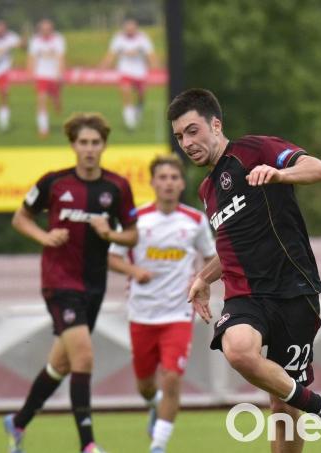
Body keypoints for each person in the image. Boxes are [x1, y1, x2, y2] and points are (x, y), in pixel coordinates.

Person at [168, 88, 321, 453]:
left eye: (192, 131)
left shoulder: (255, 150)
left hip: (293, 291)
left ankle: (313, 406)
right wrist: (202, 278)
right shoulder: (207, 189)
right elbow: (231, 249)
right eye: (179, 137)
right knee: (238, 349)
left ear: (215, 124)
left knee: (284, 405)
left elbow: (320, 170)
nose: (187, 142)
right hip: (247, 296)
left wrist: (278, 175)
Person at [4, 113, 138, 453]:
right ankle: (88, 445)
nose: (89, 149)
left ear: (103, 145)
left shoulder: (117, 187)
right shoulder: (54, 182)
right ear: (73, 145)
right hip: (59, 283)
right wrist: (45, 236)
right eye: (83, 142)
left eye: (95, 143)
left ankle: (18, 422)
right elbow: (20, 218)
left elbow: (133, 235)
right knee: (84, 358)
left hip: (94, 285)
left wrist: (112, 234)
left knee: (62, 364)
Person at [108, 155, 216, 453]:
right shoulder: (136, 220)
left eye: (174, 178)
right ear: (153, 182)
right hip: (141, 313)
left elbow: (211, 258)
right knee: (145, 385)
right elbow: (112, 257)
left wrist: (202, 280)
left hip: (178, 313)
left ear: (182, 184)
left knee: (171, 378)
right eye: (162, 177)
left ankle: (158, 445)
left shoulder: (194, 221)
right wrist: (134, 272)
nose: (168, 183)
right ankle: (154, 405)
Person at [100, 19, 157, 131]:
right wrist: (104, 65)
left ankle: (138, 111)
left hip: (140, 72)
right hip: (125, 71)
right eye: (127, 28)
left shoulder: (143, 38)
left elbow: (151, 54)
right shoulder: (118, 38)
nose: (129, 30)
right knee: (126, 92)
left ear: (136, 28)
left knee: (141, 96)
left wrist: (155, 67)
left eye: (132, 28)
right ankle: (129, 121)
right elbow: (111, 54)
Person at [27, 19, 65, 137]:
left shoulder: (58, 39)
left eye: (48, 29)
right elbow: (31, 58)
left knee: (55, 101)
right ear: (39, 30)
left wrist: (60, 74)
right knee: (41, 100)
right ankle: (43, 129)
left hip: (54, 75)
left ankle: (57, 102)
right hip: (41, 75)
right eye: (43, 29)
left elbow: (61, 57)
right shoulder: (35, 41)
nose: (46, 31)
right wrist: (30, 73)